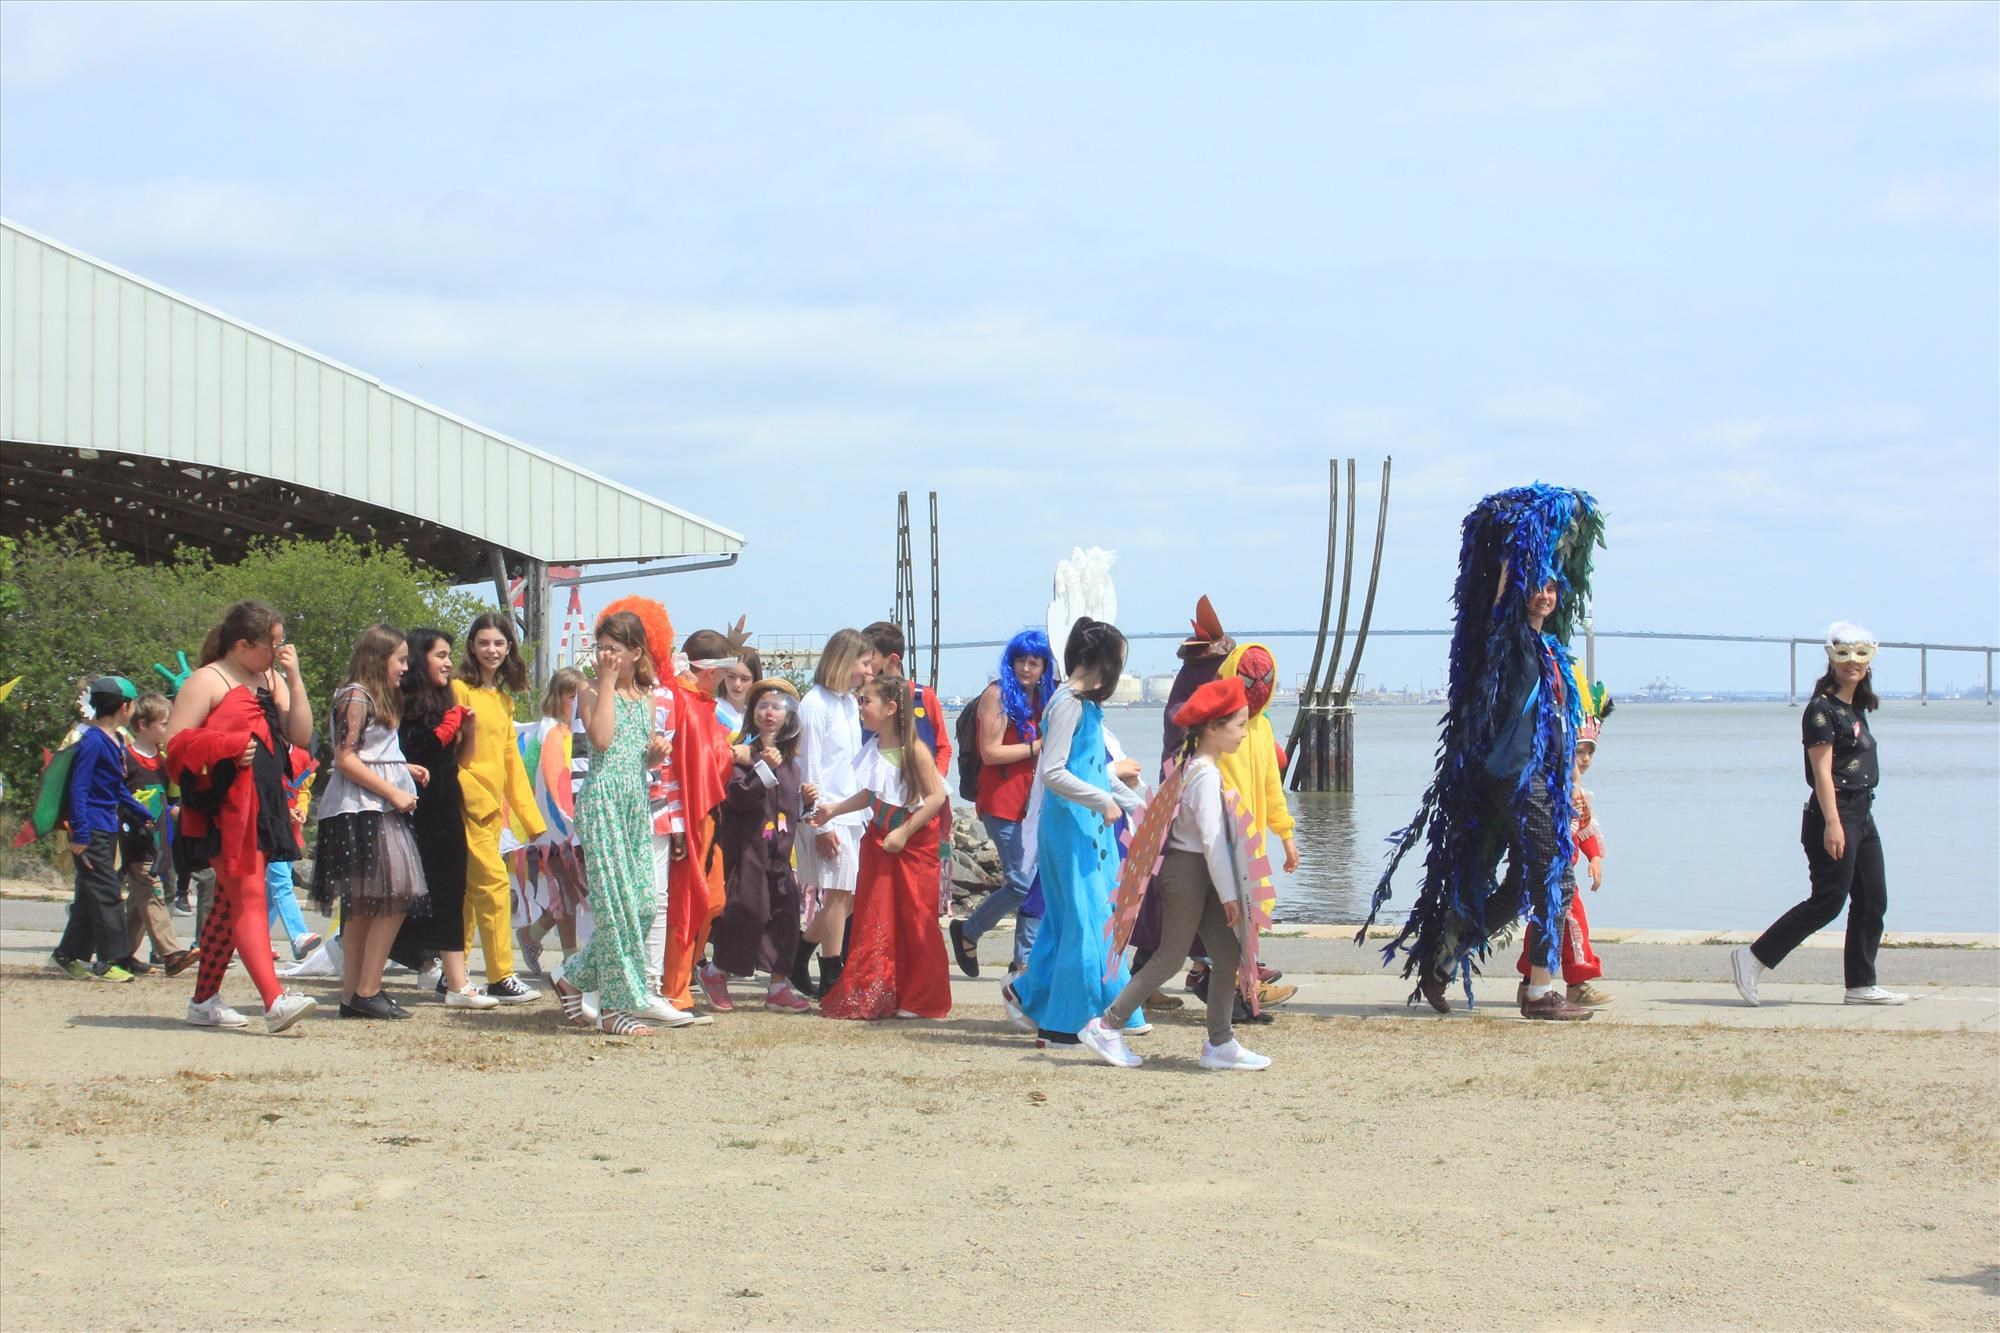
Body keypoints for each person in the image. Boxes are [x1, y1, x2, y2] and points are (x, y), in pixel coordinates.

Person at [1359, 484, 1605, 1021]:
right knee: (1553, 877)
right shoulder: (1511, 639)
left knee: (1521, 883)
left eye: (1552, 588)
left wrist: (1574, 780)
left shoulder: (1552, 651)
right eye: (1536, 586)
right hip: (1515, 776)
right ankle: (1540, 991)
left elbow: (1561, 725)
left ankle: (1442, 955)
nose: (1545, 594)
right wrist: (1517, 551)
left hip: (1538, 778)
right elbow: (1500, 605)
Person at [1082, 676, 1271, 1071]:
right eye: (1238, 725)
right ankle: (1107, 1024)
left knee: (1227, 953)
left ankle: (1220, 1042)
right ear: (1213, 728)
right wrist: (1230, 896)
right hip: (1188, 872)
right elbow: (1214, 838)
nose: (1242, 733)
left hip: (1198, 870)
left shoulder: (1196, 767)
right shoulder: (1204, 773)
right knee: (1169, 957)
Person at [1733, 622, 1906, 1007]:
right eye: (1843, 654)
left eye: (1860, 655)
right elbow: (1822, 774)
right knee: (1828, 901)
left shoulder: (1854, 708)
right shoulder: (1821, 711)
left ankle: (1861, 984)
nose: (1852, 663)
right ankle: (1753, 957)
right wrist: (1833, 824)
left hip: (1863, 813)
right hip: (1835, 812)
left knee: (1873, 899)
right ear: (1831, 658)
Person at [165, 600, 318, 1033]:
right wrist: (224, 746)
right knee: (247, 895)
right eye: (273, 642)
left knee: (230, 907)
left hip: (265, 802)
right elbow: (174, 747)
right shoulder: (207, 680)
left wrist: (294, 676)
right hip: (224, 805)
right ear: (243, 644)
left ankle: (204, 1001)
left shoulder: (269, 677)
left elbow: (300, 735)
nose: (279, 648)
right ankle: (275, 1001)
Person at [550, 611, 691, 1034]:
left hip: (635, 802)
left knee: (644, 904)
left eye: (615, 647)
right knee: (614, 909)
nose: (606, 654)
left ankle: (572, 975)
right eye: (602, 646)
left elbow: (633, 754)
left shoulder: (647, 697)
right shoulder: (591, 691)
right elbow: (602, 741)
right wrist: (608, 683)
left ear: (636, 652)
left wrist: (654, 754)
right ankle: (613, 1010)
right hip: (603, 802)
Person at [1009, 619, 1147, 1045]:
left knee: (1075, 920)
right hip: (1069, 828)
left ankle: (1030, 992)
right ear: (1102, 662)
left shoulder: (1083, 704)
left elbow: (1094, 773)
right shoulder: (1067, 702)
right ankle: (1064, 1023)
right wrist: (1102, 802)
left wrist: (1137, 806)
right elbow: (1053, 772)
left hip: (1088, 827)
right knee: (1085, 921)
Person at [812, 674, 951, 1020]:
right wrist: (835, 808)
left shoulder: (914, 750)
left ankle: (922, 998)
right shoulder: (873, 746)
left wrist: (904, 832)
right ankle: (880, 988)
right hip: (879, 839)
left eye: (866, 701)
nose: (861, 708)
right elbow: (872, 793)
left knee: (916, 917)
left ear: (890, 708)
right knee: (876, 915)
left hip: (913, 843)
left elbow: (935, 797)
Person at [310, 625, 431, 1019]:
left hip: (374, 805)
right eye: (399, 659)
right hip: (364, 809)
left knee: (365, 903)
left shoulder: (371, 698)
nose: (404, 667)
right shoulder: (355, 697)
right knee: (395, 895)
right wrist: (394, 791)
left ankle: (354, 995)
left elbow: (369, 751)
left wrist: (402, 767)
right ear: (379, 659)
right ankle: (367, 988)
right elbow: (345, 758)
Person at [388, 627, 495, 1008]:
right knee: (401, 899)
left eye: (450, 655)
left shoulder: (444, 701)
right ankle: (360, 967)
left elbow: (455, 761)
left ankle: (457, 984)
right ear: (420, 659)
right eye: (440, 655)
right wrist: (451, 723)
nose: (449, 663)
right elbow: (419, 749)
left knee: (451, 892)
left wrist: (468, 733)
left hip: (446, 805)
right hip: (411, 810)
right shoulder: (405, 702)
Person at [454, 612, 548, 1004]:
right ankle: (500, 976)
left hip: (494, 810)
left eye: (498, 643)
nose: (491, 650)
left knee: (470, 895)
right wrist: (469, 792)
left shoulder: (504, 701)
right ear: (472, 646)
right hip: (465, 802)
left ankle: (453, 974)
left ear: (509, 648)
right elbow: (451, 749)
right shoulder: (458, 690)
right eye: (483, 642)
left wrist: (533, 821)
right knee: (492, 888)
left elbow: (512, 764)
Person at [949, 629, 1054, 982]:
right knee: (1022, 883)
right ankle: (969, 930)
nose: (1026, 668)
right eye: (1020, 660)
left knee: (1036, 883)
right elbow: (990, 753)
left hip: (1034, 802)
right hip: (1002, 802)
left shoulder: (1043, 695)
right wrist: (1038, 746)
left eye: (1034, 662)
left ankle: (1022, 962)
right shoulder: (997, 695)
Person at [709, 678, 812, 1011]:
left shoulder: (791, 763)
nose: (770, 713)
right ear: (752, 713)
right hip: (748, 852)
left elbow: (790, 810)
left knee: (785, 915)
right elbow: (736, 797)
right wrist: (760, 766)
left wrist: (807, 802)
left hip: (781, 856)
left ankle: (778, 984)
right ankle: (717, 971)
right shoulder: (741, 755)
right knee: (746, 913)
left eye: (778, 707)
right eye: (763, 706)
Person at [53, 676, 155, 983]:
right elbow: (79, 790)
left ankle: (67, 954)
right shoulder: (93, 742)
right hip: (91, 830)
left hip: (106, 826)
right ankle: (112, 959)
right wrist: (81, 833)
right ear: (125, 707)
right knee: (109, 893)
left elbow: (114, 789)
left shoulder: (112, 740)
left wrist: (140, 812)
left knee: (90, 894)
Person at [791, 628, 875, 997]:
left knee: (850, 893)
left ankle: (800, 953)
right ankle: (831, 973)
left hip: (849, 809)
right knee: (838, 894)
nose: (869, 672)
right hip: (827, 812)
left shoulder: (845, 703)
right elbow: (809, 766)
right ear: (845, 661)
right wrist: (819, 822)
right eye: (864, 663)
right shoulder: (815, 704)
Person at [861, 623, 954, 917]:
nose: (866, 664)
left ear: (893, 660)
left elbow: (943, 745)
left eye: (870, 656)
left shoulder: (922, 697)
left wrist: (929, 783)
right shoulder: (866, 703)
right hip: (881, 809)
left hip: (923, 804)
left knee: (920, 891)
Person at [1516, 715, 1609, 1006]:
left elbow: (1583, 827)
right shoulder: (1549, 788)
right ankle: (1578, 982)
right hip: (1551, 867)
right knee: (1571, 921)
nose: (1584, 759)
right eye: (1579, 751)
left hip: (1564, 866)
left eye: (1590, 752)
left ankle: (1531, 980)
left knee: (1548, 921)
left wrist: (1594, 857)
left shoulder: (1577, 793)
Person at [510, 667, 591, 978]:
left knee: (569, 890)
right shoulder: (548, 732)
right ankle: (569, 957)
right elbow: (534, 775)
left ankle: (533, 934)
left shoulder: (577, 731)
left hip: (571, 825)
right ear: (558, 696)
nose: (576, 702)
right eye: (572, 696)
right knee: (565, 890)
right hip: (554, 829)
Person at [117, 691, 197, 976]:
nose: (168, 729)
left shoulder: (163, 762)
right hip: (136, 839)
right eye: (164, 724)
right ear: (142, 725)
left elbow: (168, 803)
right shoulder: (126, 758)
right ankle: (171, 953)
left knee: (140, 904)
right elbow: (117, 797)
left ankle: (120, 953)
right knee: (152, 893)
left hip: (160, 840)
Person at [264, 745, 324, 963]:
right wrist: (282, 810)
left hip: (290, 832)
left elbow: (303, 790)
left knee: (273, 891)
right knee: (281, 883)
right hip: (269, 830)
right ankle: (298, 935)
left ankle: (256, 940)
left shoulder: (302, 756)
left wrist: (301, 808)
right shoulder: (265, 753)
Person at [713, 648, 761, 738]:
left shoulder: (757, 717)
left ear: (755, 681)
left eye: (745, 679)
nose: (737, 684)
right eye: (731, 676)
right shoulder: (712, 709)